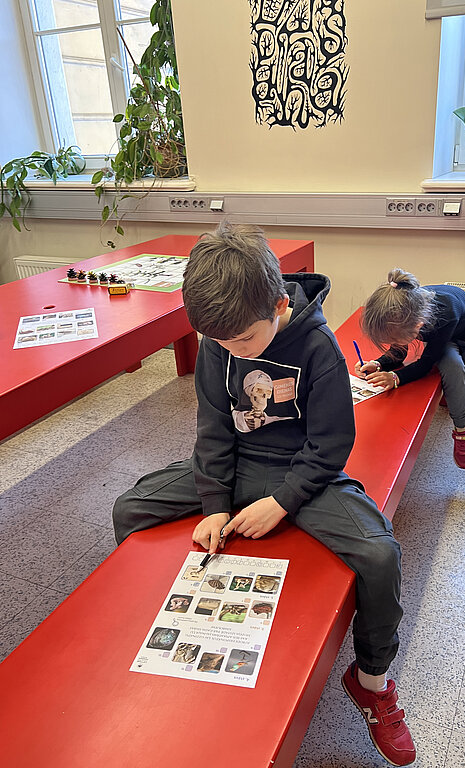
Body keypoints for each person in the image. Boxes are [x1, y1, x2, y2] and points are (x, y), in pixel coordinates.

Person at [113, 222, 416, 766]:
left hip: (302, 472)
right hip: (236, 467)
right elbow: (213, 429)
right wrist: (215, 505)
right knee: (130, 508)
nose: (230, 349)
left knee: (380, 555)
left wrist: (282, 503)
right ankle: (155, 630)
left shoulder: (318, 347)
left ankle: (371, 681)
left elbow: (330, 445)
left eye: (242, 341)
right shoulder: (220, 338)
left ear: (279, 305)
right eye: (220, 342)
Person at [356, 268, 465, 506]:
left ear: (418, 326)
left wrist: (395, 378)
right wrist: (379, 363)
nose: (394, 343)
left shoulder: (443, 315)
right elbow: (399, 350)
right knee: (453, 368)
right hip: (444, 338)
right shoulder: (404, 308)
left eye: (397, 338)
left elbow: (425, 364)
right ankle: (462, 427)